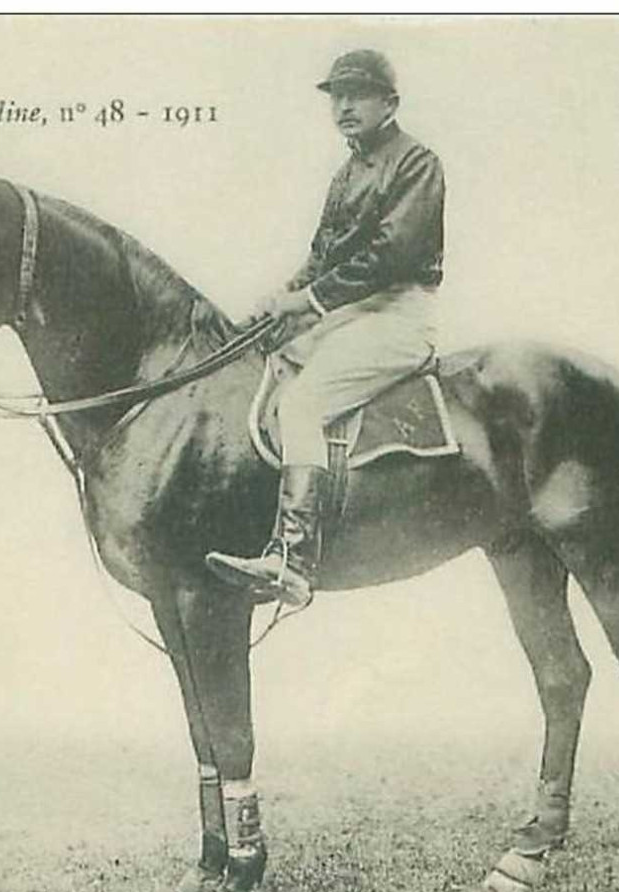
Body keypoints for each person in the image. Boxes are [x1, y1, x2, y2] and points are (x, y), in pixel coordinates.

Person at [206, 48, 445, 609]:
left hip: (400, 314)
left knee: (303, 405)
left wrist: (308, 301)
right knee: (265, 367)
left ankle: (292, 560)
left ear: (390, 103)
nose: (343, 106)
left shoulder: (417, 162)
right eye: (336, 96)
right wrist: (280, 302)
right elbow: (322, 257)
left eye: (356, 94)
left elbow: (391, 254)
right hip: (347, 312)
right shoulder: (346, 173)